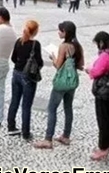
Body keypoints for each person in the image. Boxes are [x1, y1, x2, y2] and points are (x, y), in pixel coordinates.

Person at [34, 21, 85, 149]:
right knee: (68, 107)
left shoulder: (64, 46)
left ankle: (48, 139)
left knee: (52, 108)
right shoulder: (78, 46)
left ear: (65, 32)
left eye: (60, 30)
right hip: (72, 81)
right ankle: (66, 136)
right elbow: (81, 65)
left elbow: (58, 65)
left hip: (61, 82)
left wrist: (52, 57)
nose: (58, 32)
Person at [85, 31, 109, 161]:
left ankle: (103, 148)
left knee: (103, 120)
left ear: (101, 43)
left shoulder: (105, 56)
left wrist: (89, 70)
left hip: (105, 91)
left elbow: (97, 72)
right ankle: (107, 146)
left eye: (97, 43)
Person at [7, 20, 43, 141]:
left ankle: (11, 126)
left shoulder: (19, 41)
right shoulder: (35, 44)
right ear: (35, 31)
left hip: (16, 73)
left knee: (14, 101)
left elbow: (13, 58)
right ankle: (26, 132)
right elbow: (39, 62)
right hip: (28, 76)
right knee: (26, 105)